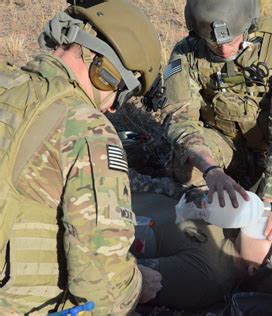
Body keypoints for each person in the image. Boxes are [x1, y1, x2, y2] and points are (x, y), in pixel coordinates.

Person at [0, 0, 162, 314]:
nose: (115, 108)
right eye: (124, 92)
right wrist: (138, 285)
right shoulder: (88, 130)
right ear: (108, 72)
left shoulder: (7, 83)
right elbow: (100, 286)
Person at [154, 0, 272, 238]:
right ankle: (208, 233)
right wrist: (211, 170)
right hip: (225, 146)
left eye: (231, 40)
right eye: (214, 42)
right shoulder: (186, 52)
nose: (225, 50)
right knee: (184, 164)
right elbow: (179, 118)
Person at [137, 190, 272, 311]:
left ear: (254, 270)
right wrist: (264, 210)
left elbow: (126, 278)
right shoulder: (235, 228)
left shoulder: (205, 278)